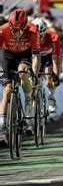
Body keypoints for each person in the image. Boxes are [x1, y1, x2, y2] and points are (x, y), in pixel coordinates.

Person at [0, 9, 41, 146]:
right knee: (7, 90)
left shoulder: (33, 30)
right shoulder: (2, 30)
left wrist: (34, 73)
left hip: (24, 54)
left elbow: (36, 56)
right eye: (14, 30)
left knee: (23, 72)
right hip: (7, 54)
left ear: (25, 25)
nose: (17, 33)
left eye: (20, 30)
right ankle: (2, 126)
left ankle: (29, 96)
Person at [32, 18, 61, 114]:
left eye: (41, 36)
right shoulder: (29, 36)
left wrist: (55, 76)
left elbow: (56, 61)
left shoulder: (53, 37)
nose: (39, 39)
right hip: (34, 57)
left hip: (47, 57)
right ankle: (32, 103)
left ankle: (51, 98)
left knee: (49, 75)